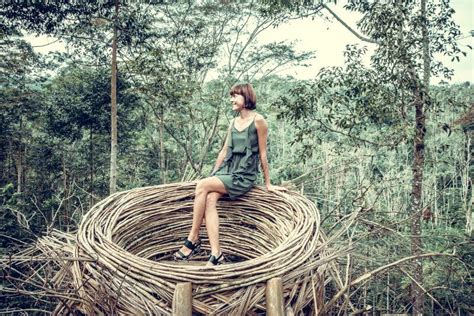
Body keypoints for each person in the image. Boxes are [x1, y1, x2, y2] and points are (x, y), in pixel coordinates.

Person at [173, 83, 287, 267]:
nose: (232, 99)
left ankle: (193, 239)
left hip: (244, 175)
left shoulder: (259, 121)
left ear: (246, 97)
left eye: (236, 96)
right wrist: (213, 176)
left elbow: (263, 154)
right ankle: (216, 254)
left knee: (202, 186)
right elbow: (224, 152)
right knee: (209, 197)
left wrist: (268, 184)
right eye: (231, 96)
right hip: (228, 172)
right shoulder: (233, 123)